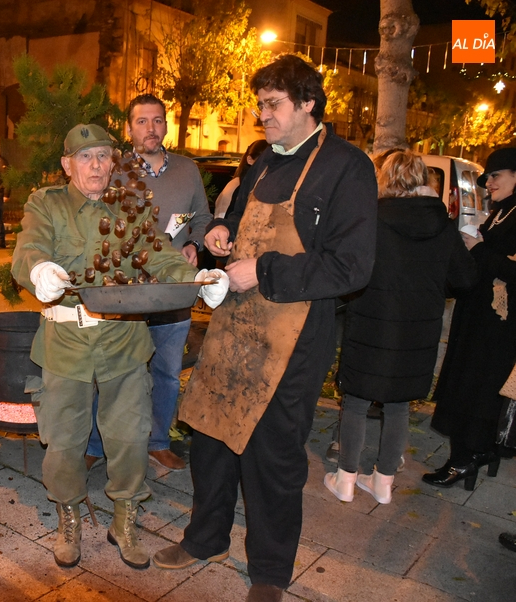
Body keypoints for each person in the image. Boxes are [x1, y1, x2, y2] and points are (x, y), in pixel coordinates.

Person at [152, 55, 377, 602]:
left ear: (307, 103)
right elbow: (238, 220)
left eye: (272, 105)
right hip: (234, 326)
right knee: (209, 439)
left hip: (294, 337)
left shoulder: (347, 166)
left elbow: (352, 267)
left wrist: (266, 270)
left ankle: (271, 573)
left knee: (272, 459)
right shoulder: (267, 161)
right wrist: (223, 232)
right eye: (259, 105)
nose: (262, 116)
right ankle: (206, 539)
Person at [11, 123, 229, 570]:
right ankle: (68, 516)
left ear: (114, 161)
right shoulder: (46, 203)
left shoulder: (130, 207)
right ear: (67, 164)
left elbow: (162, 256)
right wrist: (40, 270)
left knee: (130, 437)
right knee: (65, 442)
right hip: (65, 342)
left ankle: (123, 521)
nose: (97, 165)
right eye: (86, 157)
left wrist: (198, 278)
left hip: (123, 341)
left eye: (104, 156)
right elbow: (28, 248)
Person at [323, 150, 476, 505]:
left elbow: (349, 272)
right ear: (424, 181)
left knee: (357, 400)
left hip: (371, 322)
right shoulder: (442, 223)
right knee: (398, 405)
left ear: (385, 178)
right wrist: (434, 287)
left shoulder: (371, 218)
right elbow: (465, 278)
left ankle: (345, 480)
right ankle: (383, 483)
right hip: (418, 330)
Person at [85, 94, 211, 471]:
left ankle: (157, 441)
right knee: (111, 372)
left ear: (166, 126)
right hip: (126, 295)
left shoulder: (188, 170)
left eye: (157, 120)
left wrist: (193, 243)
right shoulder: (114, 170)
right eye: (142, 121)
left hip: (174, 293)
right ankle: (95, 444)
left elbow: (202, 217)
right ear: (129, 128)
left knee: (168, 373)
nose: (150, 128)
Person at [423, 147, 516, 491]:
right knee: (469, 385)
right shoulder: (501, 211)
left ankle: (466, 458)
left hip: (498, 324)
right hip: (479, 316)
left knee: (477, 388)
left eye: (496, 176)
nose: (488, 183)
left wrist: (478, 249)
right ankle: (473, 454)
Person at [212, 139, 269, 218]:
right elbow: (222, 219)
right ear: (250, 160)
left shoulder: (267, 186)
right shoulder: (235, 187)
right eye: (264, 162)